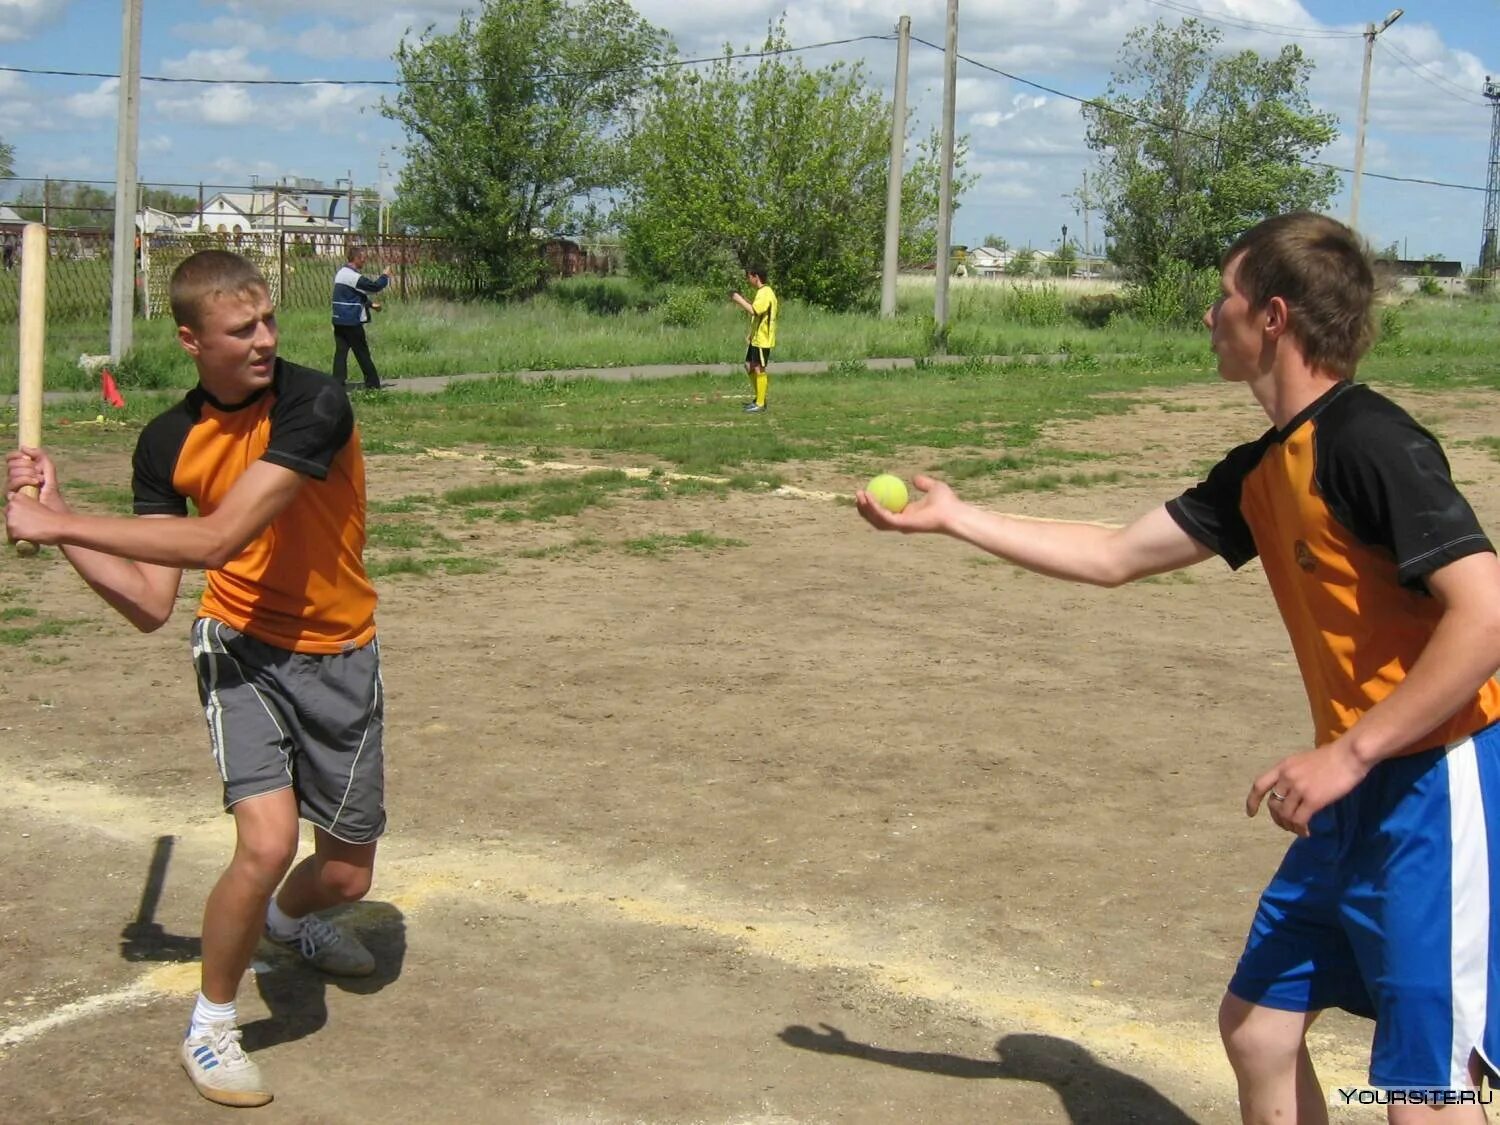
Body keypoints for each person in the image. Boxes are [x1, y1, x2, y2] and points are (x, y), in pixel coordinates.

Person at [856, 212, 1500, 1124]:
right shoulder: (1264, 468)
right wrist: (957, 517)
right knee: (1260, 1027)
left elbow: (1487, 614)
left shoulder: (1370, 442)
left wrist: (1349, 754)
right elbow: (1116, 552)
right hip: (1354, 785)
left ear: (1271, 316)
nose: (1209, 316)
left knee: (1424, 1088)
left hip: (1440, 784)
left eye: (1223, 296)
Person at [6, 249, 387, 1109]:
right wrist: (63, 529)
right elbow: (149, 602)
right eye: (240, 329)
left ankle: (291, 922)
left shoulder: (314, 402)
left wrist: (58, 516)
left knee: (347, 876)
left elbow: (217, 537)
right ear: (190, 340)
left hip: (340, 648)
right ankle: (212, 1027)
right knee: (265, 841)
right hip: (241, 649)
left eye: (268, 323)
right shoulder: (167, 441)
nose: (263, 340)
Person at [332, 244, 393, 391]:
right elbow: (374, 286)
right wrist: (385, 276)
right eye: (363, 259)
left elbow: (353, 294)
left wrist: (370, 305)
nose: (365, 262)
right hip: (351, 321)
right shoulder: (352, 276)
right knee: (362, 352)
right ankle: (373, 384)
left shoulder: (342, 273)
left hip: (338, 319)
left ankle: (337, 383)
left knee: (341, 352)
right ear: (357, 258)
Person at [730, 265, 778, 413]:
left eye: (749, 276)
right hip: (757, 338)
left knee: (758, 368)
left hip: (763, 339)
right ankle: (759, 399)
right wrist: (751, 333)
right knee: (748, 365)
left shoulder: (765, 292)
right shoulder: (761, 292)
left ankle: (760, 403)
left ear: (756, 276)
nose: (747, 279)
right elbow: (759, 315)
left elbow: (754, 311)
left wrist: (738, 299)